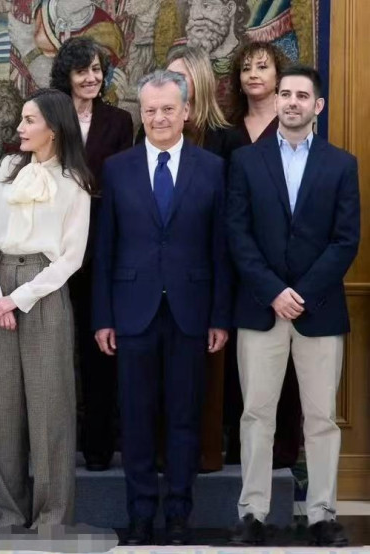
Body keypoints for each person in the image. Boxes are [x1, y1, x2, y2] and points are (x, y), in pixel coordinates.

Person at [93, 70, 231, 546]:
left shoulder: (212, 168)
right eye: (150, 110)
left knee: (184, 418)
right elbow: (105, 249)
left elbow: (221, 249)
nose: (158, 118)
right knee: (135, 419)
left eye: (168, 109)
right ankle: (138, 516)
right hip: (132, 313)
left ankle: (177, 515)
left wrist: (219, 315)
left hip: (192, 313)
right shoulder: (118, 168)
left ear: (186, 111)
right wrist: (103, 317)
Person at [227, 66, 359, 548]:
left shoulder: (341, 164)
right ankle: (252, 515)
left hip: (319, 310)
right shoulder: (245, 161)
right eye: (285, 94)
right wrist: (273, 291)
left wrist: (301, 292)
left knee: (321, 419)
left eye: (302, 95)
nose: (292, 102)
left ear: (317, 106)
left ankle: (322, 515)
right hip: (261, 308)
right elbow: (237, 234)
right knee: (256, 416)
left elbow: (345, 240)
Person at [0, 88, 92, 528]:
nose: (20, 128)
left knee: (50, 411)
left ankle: (51, 522)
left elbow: (71, 258)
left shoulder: (75, 180)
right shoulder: (7, 168)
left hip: (44, 291)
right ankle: (8, 519)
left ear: (54, 128)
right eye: (22, 119)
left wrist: (19, 298)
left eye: (30, 120)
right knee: (0, 413)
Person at [49, 36, 133, 471]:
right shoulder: (48, 114)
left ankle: (99, 448)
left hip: (100, 249)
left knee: (99, 348)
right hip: (52, 248)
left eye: (97, 70)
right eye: (82, 70)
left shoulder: (119, 121)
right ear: (67, 75)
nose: (91, 78)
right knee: (54, 353)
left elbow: (120, 184)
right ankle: (54, 450)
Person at [225, 41, 302, 470]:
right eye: (246, 68)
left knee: (287, 367)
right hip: (239, 264)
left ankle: (284, 456)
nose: (253, 75)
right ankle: (241, 453)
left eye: (262, 67)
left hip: (287, 270)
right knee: (243, 365)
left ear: (278, 76)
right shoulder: (228, 132)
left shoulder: (295, 125)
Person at [136, 46, 237, 161]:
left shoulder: (227, 138)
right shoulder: (154, 125)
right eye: (167, 76)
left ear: (199, 80)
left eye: (178, 77)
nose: (170, 83)